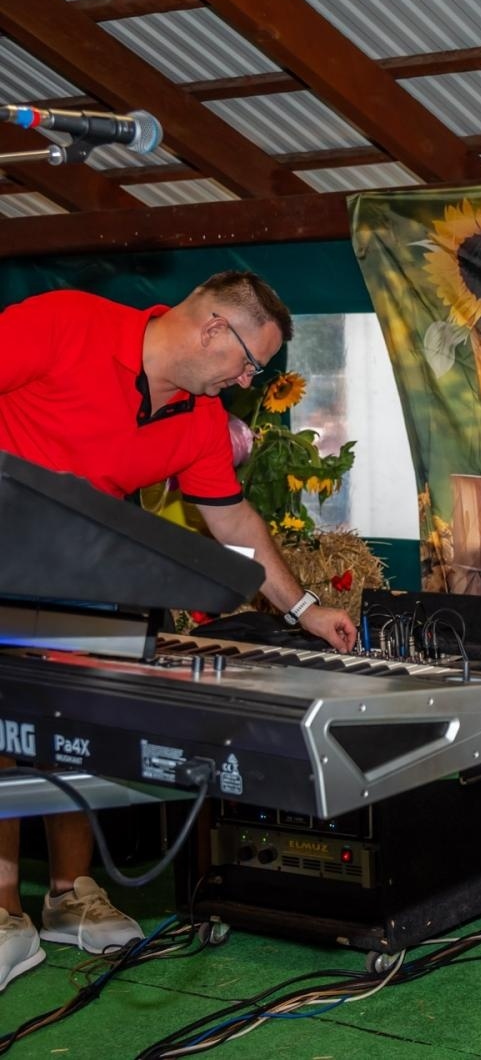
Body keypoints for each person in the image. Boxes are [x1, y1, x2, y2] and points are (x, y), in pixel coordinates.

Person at [0, 271, 358, 991]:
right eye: (249, 364)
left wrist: (304, 608)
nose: (247, 381)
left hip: (93, 585)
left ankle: (69, 894)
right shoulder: (64, 322)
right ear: (213, 327)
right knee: (5, 736)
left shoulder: (198, 421)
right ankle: (3, 911)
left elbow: (234, 521)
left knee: (79, 730)